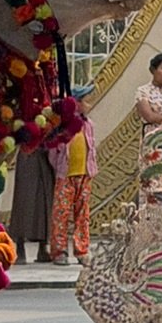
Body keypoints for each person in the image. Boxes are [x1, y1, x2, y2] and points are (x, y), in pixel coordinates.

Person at [49, 108, 97, 264]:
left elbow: (91, 147)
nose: (88, 104)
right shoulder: (62, 126)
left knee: (82, 214)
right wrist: (60, 167)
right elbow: (53, 151)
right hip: (65, 176)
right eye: (84, 100)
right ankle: (59, 251)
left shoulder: (88, 124)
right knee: (61, 213)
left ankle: (81, 250)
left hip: (84, 175)